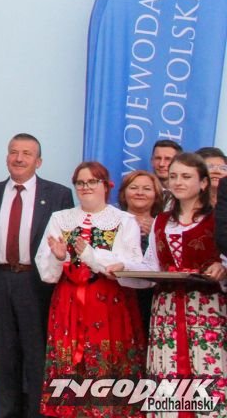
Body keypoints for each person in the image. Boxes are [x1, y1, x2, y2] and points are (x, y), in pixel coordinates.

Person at [35, 161, 144, 418]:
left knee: (107, 361)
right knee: (70, 362)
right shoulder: (61, 218)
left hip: (109, 302)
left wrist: (92, 256)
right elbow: (47, 272)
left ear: (106, 185)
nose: (86, 187)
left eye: (92, 181)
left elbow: (133, 265)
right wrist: (60, 257)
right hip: (69, 302)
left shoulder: (123, 220)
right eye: (80, 183)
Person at [0, 133, 73, 418]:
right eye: (13, 152)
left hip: (37, 286)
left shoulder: (58, 194)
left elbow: (64, 246)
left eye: (26, 153)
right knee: (1, 362)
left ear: (38, 161)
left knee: (36, 359)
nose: (19, 158)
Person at [128, 153, 227, 411]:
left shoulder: (216, 220)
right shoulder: (161, 221)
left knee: (207, 371)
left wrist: (223, 267)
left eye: (186, 176)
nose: (178, 182)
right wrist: (119, 267)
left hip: (207, 307)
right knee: (169, 373)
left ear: (203, 183)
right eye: (173, 176)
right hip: (167, 309)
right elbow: (151, 266)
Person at [116, 169, 163, 329]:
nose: (140, 193)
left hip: (153, 294)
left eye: (147, 189)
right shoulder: (111, 221)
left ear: (156, 195)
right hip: (119, 291)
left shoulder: (164, 224)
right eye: (134, 188)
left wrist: (155, 232)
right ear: (124, 193)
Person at [152, 139, 181, 209]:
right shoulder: (143, 193)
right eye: (158, 158)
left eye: (168, 159)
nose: (161, 164)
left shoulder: (188, 194)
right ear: (151, 161)